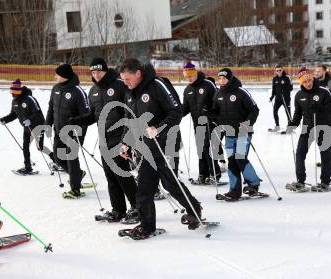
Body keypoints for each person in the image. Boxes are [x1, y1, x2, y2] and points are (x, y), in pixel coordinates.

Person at [119, 58, 202, 237]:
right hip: (147, 148)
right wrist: (125, 143)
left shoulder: (157, 85)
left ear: (138, 73)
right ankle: (147, 226)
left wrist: (159, 128)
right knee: (144, 188)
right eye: (123, 80)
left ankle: (194, 210)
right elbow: (130, 121)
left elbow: (176, 111)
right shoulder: (129, 93)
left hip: (167, 143)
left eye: (128, 79)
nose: (125, 83)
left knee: (170, 183)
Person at [70, 58, 138, 222]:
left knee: (122, 174)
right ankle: (118, 210)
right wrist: (77, 120)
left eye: (99, 71)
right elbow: (94, 115)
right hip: (104, 139)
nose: (96, 75)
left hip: (120, 137)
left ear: (106, 71)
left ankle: (138, 207)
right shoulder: (93, 91)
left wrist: (127, 139)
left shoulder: (119, 85)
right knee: (111, 177)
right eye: (93, 72)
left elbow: (129, 112)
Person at [211, 68, 261, 200]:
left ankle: (254, 183)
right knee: (232, 162)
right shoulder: (218, 94)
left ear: (230, 79)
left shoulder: (241, 92)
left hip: (243, 132)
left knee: (240, 159)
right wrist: (211, 116)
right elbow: (215, 112)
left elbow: (254, 110)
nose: (221, 81)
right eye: (219, 79)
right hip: (229, 133)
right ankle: (234, 191)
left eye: (224, 78)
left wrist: (247, 123)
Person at [286, 67, 331, 192]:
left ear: (312, 79)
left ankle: (325, 182)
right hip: (307, 128)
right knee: (300, 154)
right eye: (305, 81)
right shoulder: (299, 95)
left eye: (309, 80)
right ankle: (300, 181)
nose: (308, 83)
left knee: (325, 156)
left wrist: (319, 109)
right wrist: (292, 124)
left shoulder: (323, 91)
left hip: (323, 127)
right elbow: (297, 114)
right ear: (301, 82)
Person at [45, 64, 90, 199]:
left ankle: (75, 189)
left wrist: (80, 132)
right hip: (59, 131)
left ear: (64, 75)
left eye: (57, 74)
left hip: (74, 132)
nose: (55, 77)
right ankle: (76, 174)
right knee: (58, 157)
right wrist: (47, 125)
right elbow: (51, 109)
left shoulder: (77, 91)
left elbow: (86, 115)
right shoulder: (55, 89)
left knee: (71, 158)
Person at [0, 80, 53, 175]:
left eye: (15, 93)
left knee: (40, 147)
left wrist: (30, 120)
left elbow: (38, 113)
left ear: (19, 92)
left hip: (37, 126)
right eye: (12, 93)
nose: (13, 95)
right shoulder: (14, 101)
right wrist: (5, 119)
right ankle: (28, 167)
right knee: (25, 146)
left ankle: (56, 160)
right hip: (26, 128)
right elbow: (13, 114)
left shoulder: (29, 99)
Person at [181, 61, 221, 184]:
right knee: (201, 149)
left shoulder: (208, 85)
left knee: (208, 148)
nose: (189, 79)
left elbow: (218, 102)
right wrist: (174, 116)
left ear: (196, 73)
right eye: (186, 77)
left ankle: (215, 173)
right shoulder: (187, 90)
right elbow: (185, 109)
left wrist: (211, 111)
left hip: (211, 123)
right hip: (197, 124)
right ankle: (203, 174)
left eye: (190, 76)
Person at [268, 64, 293, 132]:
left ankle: (290, 127)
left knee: (288, 112)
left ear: (282, 70)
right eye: (277, 70)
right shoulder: (274, 78)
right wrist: (272, 97)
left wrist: (284, 90)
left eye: (280, 70)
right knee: (275, 111)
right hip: (278, 99)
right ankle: (277, 126)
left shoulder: (287, 78)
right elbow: (274, 89)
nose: (278, 71)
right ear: (275, 71)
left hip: (286, 99)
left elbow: (291, 88)